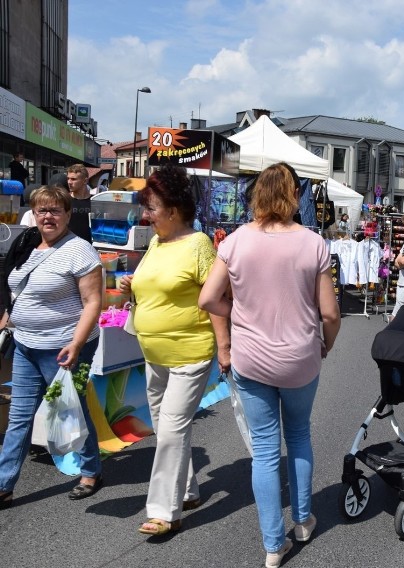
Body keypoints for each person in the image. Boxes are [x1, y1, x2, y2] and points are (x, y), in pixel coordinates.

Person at [199, 162, 341, 568]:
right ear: (294, 194)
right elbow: (329, 314)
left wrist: (239, 311)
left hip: (252, 359)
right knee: (298, 435)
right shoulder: (312, 243)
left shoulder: (236, 241)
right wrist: (326, 345)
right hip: (300, 357)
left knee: (264, 451)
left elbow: (208, 299)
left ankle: (273, 545)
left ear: (257, 194)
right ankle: (302, 520)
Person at [117, 164, 230, 537]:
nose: (146, 216)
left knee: (170, 431)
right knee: (168, 429)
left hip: (190, 353)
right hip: (154, 354)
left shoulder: (198, 245)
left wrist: (225, 348)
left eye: (151, 208)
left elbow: (218, 299)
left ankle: (165, 511)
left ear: (174, 210)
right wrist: (133, 285)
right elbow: (160, 286)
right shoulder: (156, 243)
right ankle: (187, 490)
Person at [0, 186, 104, 507]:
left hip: (68, 351)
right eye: (42, 210)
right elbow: (16, 289)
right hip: (25, 346)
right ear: (34, 213)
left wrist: (75, 344)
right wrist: (7, 317)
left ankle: (91, 471)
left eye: (56, 210)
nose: (48, 216)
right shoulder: (27, 244)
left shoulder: (80, 250)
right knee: (19, 418)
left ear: (68, 214)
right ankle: (4, 485)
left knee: (70, 410)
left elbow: (92, 303)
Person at [66, 164, 93, 243]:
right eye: (68, 178)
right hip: (69, 246)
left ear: (85, 181)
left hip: (90, 247)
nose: (69, 182)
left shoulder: (95, 201)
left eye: (73, 179)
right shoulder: (65, 200)